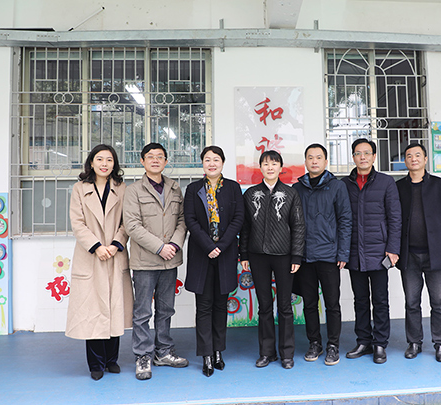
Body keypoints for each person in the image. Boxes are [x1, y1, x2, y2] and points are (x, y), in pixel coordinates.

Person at [66, 144, 133, 381]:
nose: (105, 164)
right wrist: (96, 246)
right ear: (91, 163)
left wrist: (115, 244)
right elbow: (77, 223)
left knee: (115, 309)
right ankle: (96, 364)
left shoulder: (122, 188)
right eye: (100, 159)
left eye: (109, 160)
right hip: (91, 257)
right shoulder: (79, 188)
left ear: (115, 164)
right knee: (92, 311)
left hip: (115, 255)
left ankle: (112, 360)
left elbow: (127, 221)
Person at [123, 142, 188, 380]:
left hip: (170, 260)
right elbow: (132, 225)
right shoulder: (133, 190)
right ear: (142, 161)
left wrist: (174, 245)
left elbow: (182, 220)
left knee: (166, 309)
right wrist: (160, 247)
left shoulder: (174, 188)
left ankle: (164, 352)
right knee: (142, 312)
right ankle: (143, 355)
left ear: (166, 161)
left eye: (160, 156)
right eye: (150, 156)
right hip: (145, 261)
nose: (155, 160)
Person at [240, 150, 305, 369]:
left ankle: (287, 354)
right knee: (264, 306)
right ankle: (267, 353)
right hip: (257, 256)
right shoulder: (251, 194)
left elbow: (298, 226)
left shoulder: (290, 193)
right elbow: (245, 227)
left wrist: (296, 255)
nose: (270, 167)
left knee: (285, 306)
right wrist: (244, 254)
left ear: (280, 167)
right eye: (266, 164)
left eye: (274, 163)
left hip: (284, 256)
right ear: (260, 167)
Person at [184, 146, 244, 377]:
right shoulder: (193, 189)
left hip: (225, 253)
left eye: (216, 159)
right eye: (207, 160)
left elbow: (238, 219)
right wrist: (209, 246)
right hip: (202, 254)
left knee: (220, 305)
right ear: (202, 164)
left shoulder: (233, 187)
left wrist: (221, 246)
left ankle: (218, 351)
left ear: (222, 163)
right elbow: (190, 220)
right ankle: (206, 355)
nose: (212, 163)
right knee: (204, 306)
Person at [292, 143, 352, 366]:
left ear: (326, 162)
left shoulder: (337, 186)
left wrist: (343, 253)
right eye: (310, 157)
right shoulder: (297, 188)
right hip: (306, 256)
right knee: (309, 303)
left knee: (332, 304)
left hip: (329, 256)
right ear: (305, 162)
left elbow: (345, 220)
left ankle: (333, 345)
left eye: (319, 157)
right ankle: (314, 342)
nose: (314, 161)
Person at [342, 138, 401, 364]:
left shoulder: (386, 182)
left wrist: (392, 248)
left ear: (374, 156)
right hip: (354, 252)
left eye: (367, 153)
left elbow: (395, 218)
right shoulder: (344, 184)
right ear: (353, 157)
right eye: (358, 153)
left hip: (379, 252)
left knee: (380, 300)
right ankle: (363, 341)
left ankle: (380, 344)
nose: (363, 157)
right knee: (360, 300)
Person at [396, 143, 441, 363]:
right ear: (405, 161)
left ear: (425, 159)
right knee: (412, 302)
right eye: (409, 156)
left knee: (438, 302)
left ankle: (440, 344)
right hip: (409, 255)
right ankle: (414, 342)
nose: (413, 159)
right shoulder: (399, 187)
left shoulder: (440, 185)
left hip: (436, 253)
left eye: (417, 155)